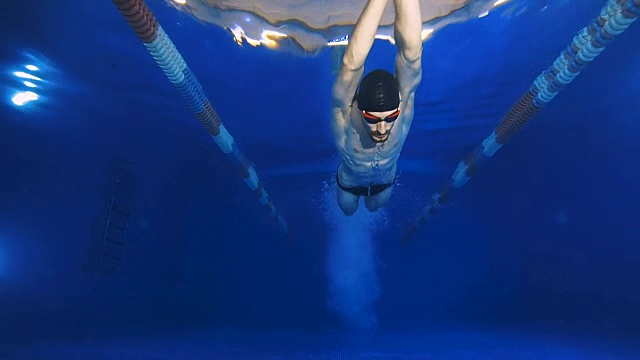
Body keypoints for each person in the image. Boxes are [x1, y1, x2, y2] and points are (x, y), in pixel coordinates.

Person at [332, 0, 423, 216]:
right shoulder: (345, 116)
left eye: (391, 117)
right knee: (348, 210)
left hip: (385, 182)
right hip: (349, 183)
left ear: (399, 108)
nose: (382, 128)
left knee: (374, 207)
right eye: (372, 119)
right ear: (358, 108)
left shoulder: (404, 105)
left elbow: (411, 56)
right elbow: (351, 65)